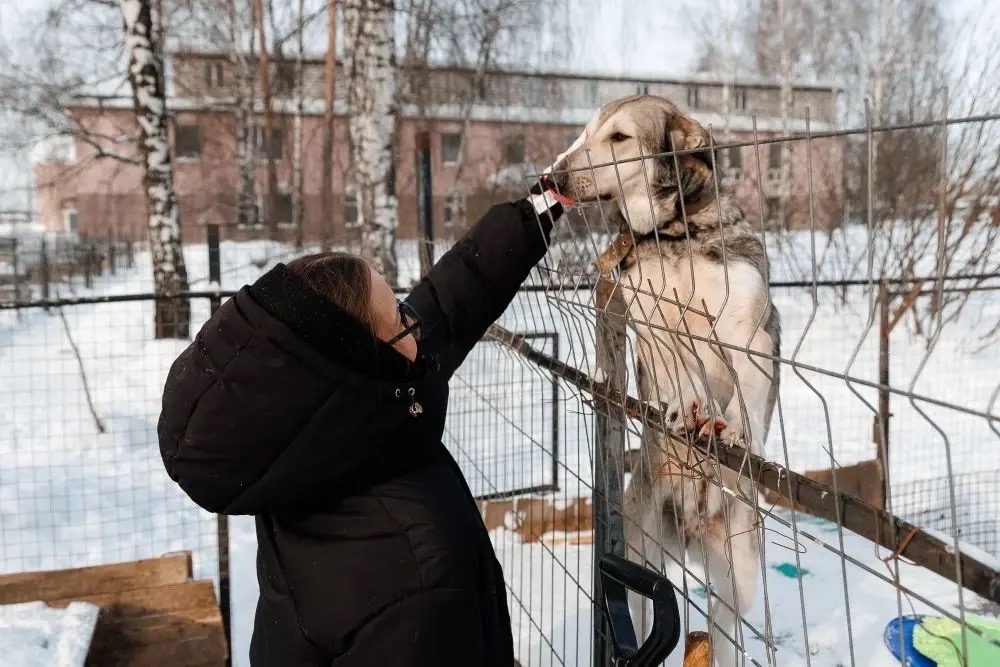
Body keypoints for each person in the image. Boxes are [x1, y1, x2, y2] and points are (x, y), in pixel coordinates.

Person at [156, 172, 574, 665]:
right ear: (361, 363)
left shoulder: (314, 441)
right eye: (398, 319)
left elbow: (447, 301)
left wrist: (543, 205)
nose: (414, 324)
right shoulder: (418, 584)